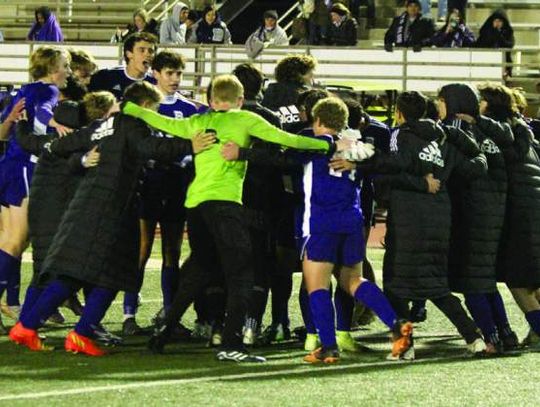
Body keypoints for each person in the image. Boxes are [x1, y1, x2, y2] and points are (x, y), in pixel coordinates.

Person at [122, 74, 350, 362]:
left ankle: (163, 333)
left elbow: (160, 121)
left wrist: (126, 108)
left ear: (211, 99)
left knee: (199, 271)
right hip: (225, 205)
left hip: (195, 206)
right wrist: (328, 146)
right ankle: (232, 343)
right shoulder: (245, 119)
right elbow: (287, 139)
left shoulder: (198, 121)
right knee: (243, 274)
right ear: (240, 100)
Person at [8, 81, 211, 355]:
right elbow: (151, 147)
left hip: (84, 206)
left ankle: (28, 326)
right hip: (112, 209)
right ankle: (79, 333)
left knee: (73, 273)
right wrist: (191, 145)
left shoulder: (102, 125)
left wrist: (80, 160)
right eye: (154, 109)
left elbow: (59, 147)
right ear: (145, 107)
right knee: (112, 275)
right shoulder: (132, 125)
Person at [360, 91, 489, 357]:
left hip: (408, 220)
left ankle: (405, 346)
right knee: (437, 284)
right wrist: (469, 146)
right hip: (440, 219)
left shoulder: (402, 135)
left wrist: (362, 157)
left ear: (399, 113)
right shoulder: (445, 139)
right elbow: (477, 166)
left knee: (397, 287)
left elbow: (395, 167)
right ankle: (474, 338)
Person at [291, 97, 412, 363]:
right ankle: (396, 323)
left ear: (318, 120)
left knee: (317, 286)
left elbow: (287, 152)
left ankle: (329, 347)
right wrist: (359, 163)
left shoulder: (315, 144)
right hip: (352, 222)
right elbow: (387, 161)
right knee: (353, 281)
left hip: (321, 222)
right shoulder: (357, 146)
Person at [123, 50, 206, 336]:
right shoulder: (143, 106)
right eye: (169, 73)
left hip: (177, 184)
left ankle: (170, 316)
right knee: (141, 249)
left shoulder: (192, 108)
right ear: (155, 73)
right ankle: (129, 314)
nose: (174, 79)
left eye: (179, 73)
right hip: (149, 182)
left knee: (172, 250)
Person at [438, 83, 519, 353]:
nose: (438, 107)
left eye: (441, 101)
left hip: (470, 212)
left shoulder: (457, 131)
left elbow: (455, 171)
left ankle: (490, 339)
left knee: (472, 280)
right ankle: (506, 334)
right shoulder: (490, 131)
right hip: (493, 213)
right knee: (483, 278)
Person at [0, 46, 70, 328]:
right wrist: (55, 124)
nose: (67, 71)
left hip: (8, 165)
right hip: (25, 167)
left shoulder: (23, 90)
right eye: (65, 65)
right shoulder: (49, 91)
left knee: (8, 240)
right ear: (53, 69)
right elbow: (42, 114)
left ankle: (14, 303)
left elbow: (4, 129)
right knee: (16, 241)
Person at [478, 83, 540, 348]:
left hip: (517, 212)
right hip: (534, 205)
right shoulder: (522, 129)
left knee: (518, 281)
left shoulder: (495, 132)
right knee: (534, 278)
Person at [89, 32, 157, 100]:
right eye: (142, 50)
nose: (148, 55)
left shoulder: (156, 82)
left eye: (151, 51)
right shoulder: (106, 77)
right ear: (129, 54)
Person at [261, 54, 317, 130]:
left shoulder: (267, 93)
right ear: (300, 74)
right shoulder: (307, 97)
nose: (312, 77)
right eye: (310, 73)